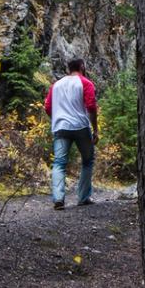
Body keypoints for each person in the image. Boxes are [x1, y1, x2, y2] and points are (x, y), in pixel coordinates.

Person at [44, 56, 98, 209]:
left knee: (59, 163)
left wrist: (57, 119)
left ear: (68, 69)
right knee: (88, 160)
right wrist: (95, 129)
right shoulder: (85, 83)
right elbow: (91, 107)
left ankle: (59, 199)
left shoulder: (56, 85)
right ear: (82, 66)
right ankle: (83, 197)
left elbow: (48, 107)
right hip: (80, 126)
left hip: (60, 127)